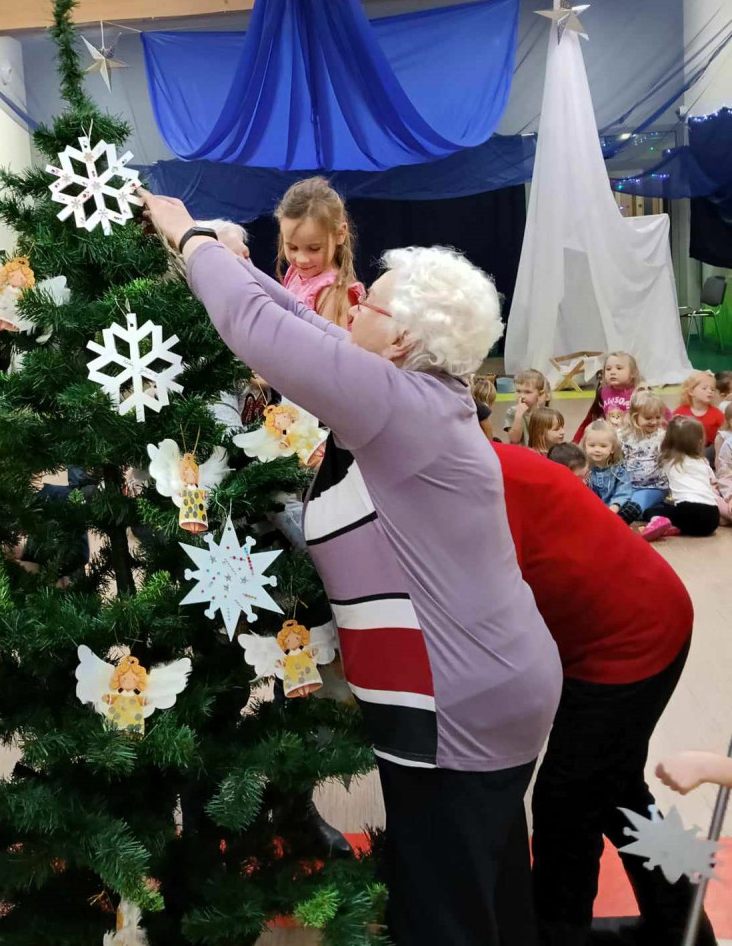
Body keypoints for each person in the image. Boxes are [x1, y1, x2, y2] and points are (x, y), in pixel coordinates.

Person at [142, 190, 562, 946]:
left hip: (459, 707)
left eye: (373, 306)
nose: (355, 305)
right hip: (496, 686)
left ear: (399, 341)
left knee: (443, 913)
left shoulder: (396, 405)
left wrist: (189, 233)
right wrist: (232, 261)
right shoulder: (425, 398)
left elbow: (264, 331)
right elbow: (301, 324)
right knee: (488, 888)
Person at [494, 443, 716, 946]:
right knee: (617, 793)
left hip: (629, 636)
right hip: (631, 616)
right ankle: (683, 921)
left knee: (565, 805)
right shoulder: (474, 462)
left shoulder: (475, 476)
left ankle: (558, 936)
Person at [275, 177, 366, 328]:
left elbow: (331, 350)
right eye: (292, 247)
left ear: (340, 234)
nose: (302, 259)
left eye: (314, 248)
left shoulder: (332, 294)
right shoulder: (296, 273)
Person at [643, 417, 727, 537]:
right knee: (677, 512)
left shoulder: (669, 460)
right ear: (699, 441)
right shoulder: (703, 461)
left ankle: (660, 520)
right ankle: (676, 527)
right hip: (712, 518)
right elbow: (713, 482)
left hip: (688, 512)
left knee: (651, 511)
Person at [619, 389, 670, 521]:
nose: (654, 422)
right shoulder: (623, 436)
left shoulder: (662, 437)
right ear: (634, 417)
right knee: (616, 504)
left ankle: (659, 512)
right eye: (648, 418)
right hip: (628, 486)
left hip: (654, 486)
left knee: (634, 509)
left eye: (658, 417)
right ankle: (657, 509)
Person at [581, 420, 638, 521]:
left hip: (612, 508)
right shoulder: (583, 467)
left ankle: (612, 524)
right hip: (590, 509)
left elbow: (623, 491)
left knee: (634, 507)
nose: (597, 449)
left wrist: (614, 507)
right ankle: (600, 523)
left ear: (612, 449)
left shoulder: (620, 468)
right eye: (592, 445)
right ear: (585, 446)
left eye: (603, 446)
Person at [672, 371, 723, 449]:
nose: (710, 391)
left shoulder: (717, 414)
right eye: (704, 388)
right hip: (684, 448)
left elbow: (725, 433)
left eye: (712, 389)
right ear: (691, 391)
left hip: (709, 449)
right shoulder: (680, 412)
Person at [505, 369, 550, 445]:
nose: (522, 396)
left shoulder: (546, 412)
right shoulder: (512, 411)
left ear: (540, 394)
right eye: (518, 391)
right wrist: (518, 416)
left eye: (527, 392)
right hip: (521, 453)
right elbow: (514, 439)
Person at [599, 351, 641, 429]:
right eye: (608, 369)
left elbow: (661, 411)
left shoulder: (639, 393)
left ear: (633, 373)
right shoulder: (604, 391)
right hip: (611, 433)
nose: (612, 372)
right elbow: (592, 415)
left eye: (619, 368)